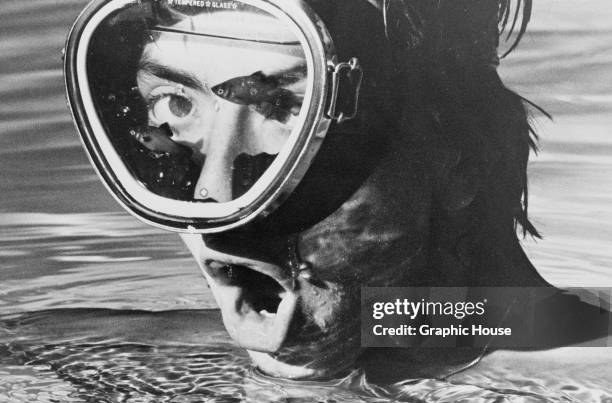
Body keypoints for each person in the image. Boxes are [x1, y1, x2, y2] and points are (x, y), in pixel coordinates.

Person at [66, 0, 610, 382]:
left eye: (288, 112)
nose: (212, 197)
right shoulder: (123, 373)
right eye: (175, 106)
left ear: (456, 161)